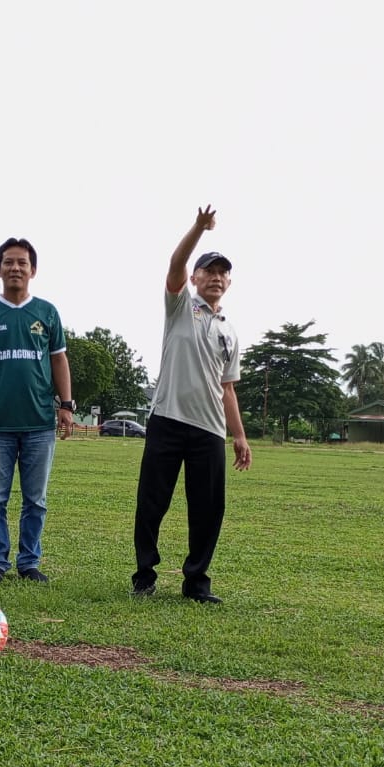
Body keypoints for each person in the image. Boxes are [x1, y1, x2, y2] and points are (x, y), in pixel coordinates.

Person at [131, 206, 251, 604]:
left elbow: (228, 389)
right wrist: (199, 228)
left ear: (229, 282)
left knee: (208, 511)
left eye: (222, 273)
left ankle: (196, 583)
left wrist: (239, 437)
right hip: (167, 419)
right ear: (196, 278)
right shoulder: (181, 307)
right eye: (208, 271)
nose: (215, 277)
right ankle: (145, 575)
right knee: (152, 503)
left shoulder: (229, 332)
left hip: (209, 431)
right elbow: (175, 261)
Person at [0, 238, 73, 583]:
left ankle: (29, 563)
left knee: (35, 500)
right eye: (8, 262)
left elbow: (58, 359)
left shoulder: (47, 312)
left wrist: (66, 405)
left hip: (39, 422)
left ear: (33, 270)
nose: (15, 268)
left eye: (22, 263)